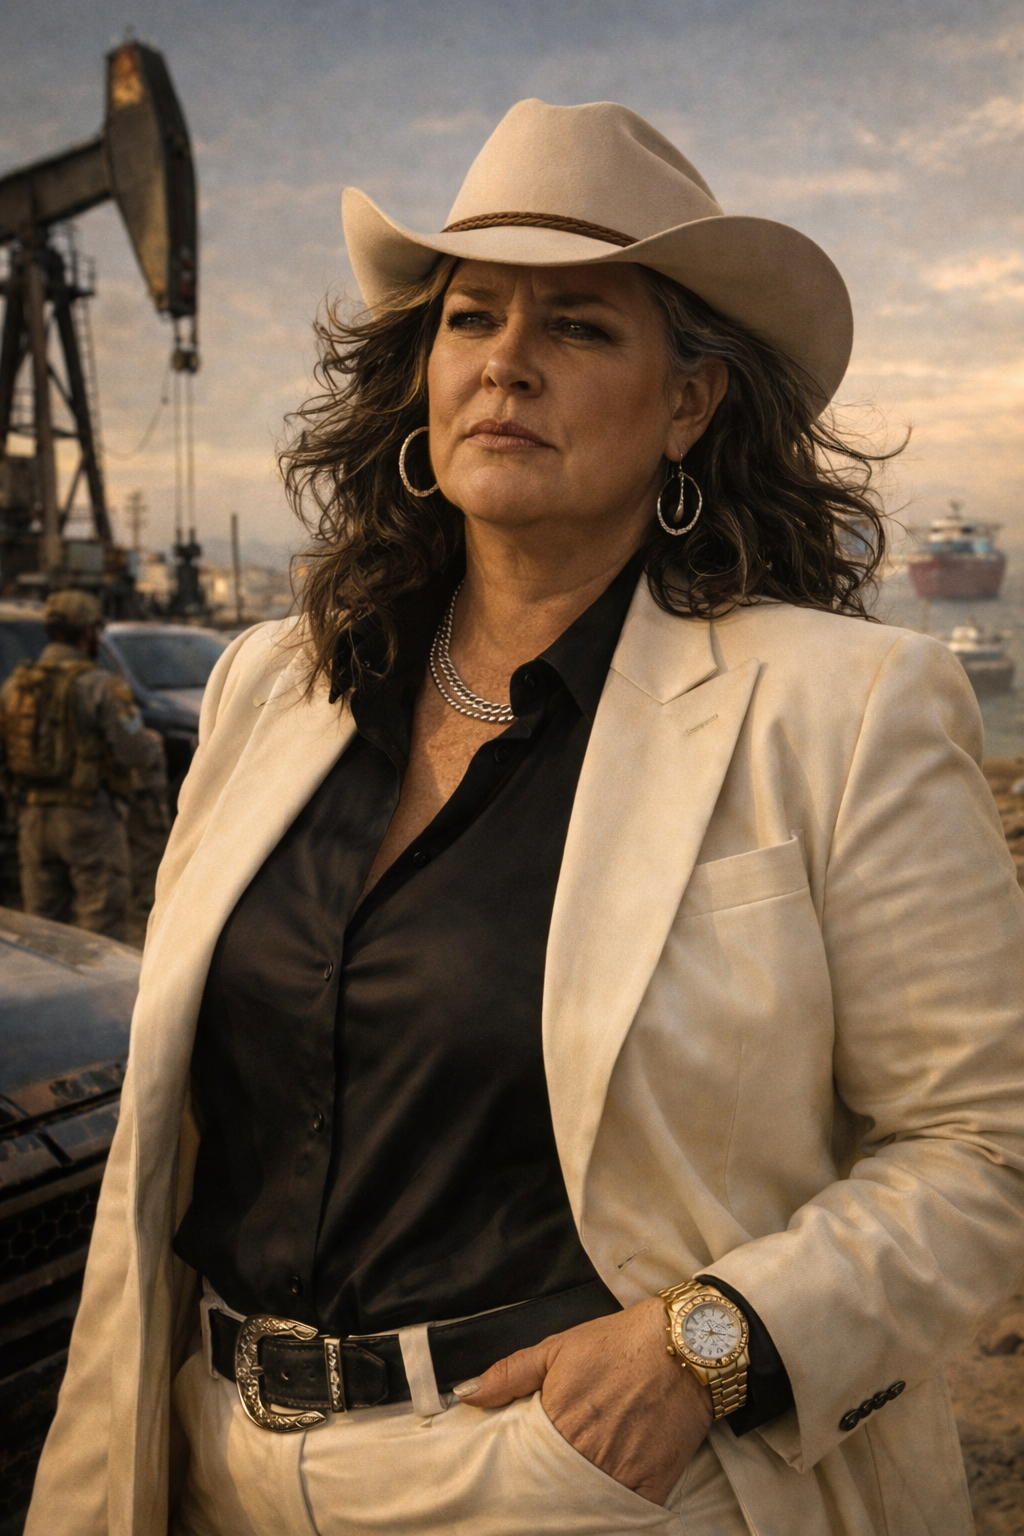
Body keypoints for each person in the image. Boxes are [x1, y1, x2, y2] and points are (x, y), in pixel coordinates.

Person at [26, 100, 1024, 1536]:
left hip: (574, 1483)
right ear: (423, 375)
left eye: (579, 326)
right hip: (216, 1461)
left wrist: (703, 1350)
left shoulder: (842, 709)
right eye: (471, 317)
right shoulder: (274, 689)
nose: (506, 360)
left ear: (689, 404)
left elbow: (983, 1144)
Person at [1, 588, 163, 942]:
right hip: (89, 819)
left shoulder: (15, 686)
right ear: (89, 632)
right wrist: (152, 745)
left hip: (33, 820)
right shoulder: (100, 686)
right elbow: (134, 751)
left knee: (42, 933)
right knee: (101, 928)